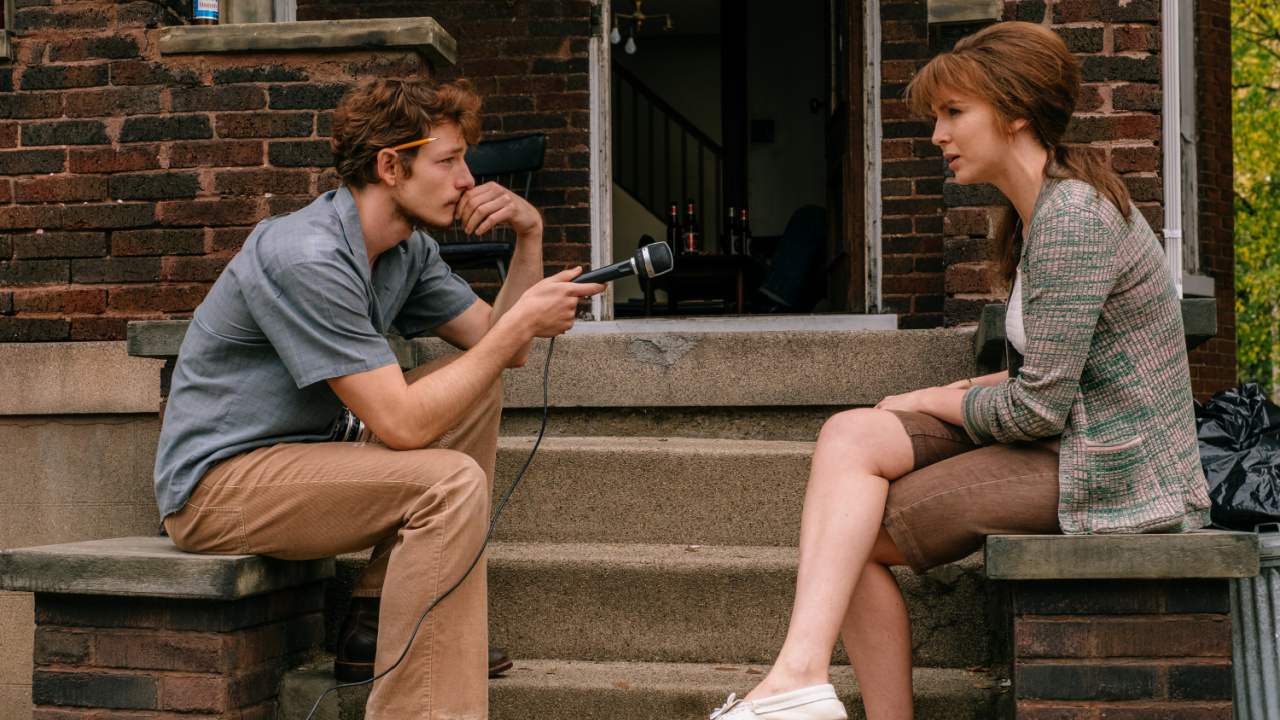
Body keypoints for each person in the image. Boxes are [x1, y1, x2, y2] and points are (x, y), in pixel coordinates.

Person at [709, 22, 1210, 720]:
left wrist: (927, 397)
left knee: (850, 539)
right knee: (851, 436)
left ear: (1016, 112)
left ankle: (802, 681)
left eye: (953, 113)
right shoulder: (1036, 213)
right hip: (1072, 437)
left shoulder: (1072, 218)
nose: (938, 134)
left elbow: (1039, 409)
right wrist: (957, 393)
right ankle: (799, 677)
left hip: (1113, 468)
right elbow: (1053, 379)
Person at [153, 77, 604, 719]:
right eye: (448, 161)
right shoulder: (306, 254)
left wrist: (528, 237)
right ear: (391, 166)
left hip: (305, 460)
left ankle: (373, 618)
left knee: (476, 382)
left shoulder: (405, 250)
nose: (468, 180)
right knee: (450, 483)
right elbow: (399, 422)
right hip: (216, 488)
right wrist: (514, 328)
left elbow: (502, 343)